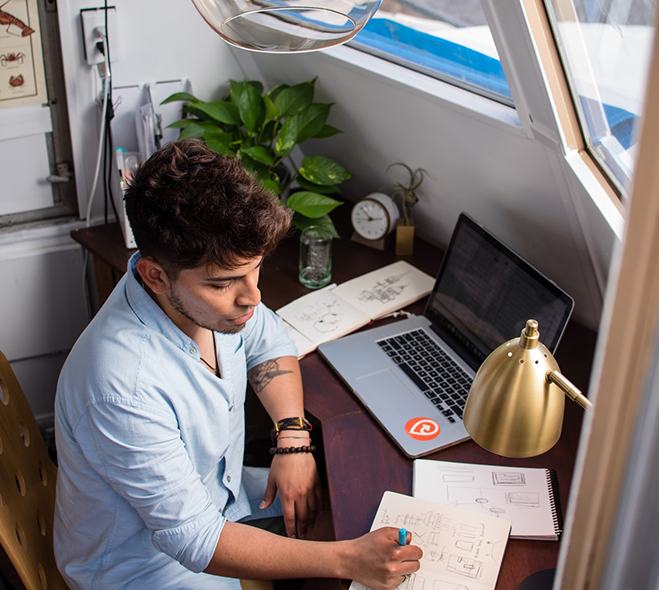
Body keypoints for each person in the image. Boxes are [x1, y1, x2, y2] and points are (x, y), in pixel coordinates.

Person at [53, 139, 422, 590]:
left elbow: (269, 338)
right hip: (144, 567)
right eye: (225, 283)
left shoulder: (208, 301)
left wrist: (293, 438)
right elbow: (196, 541)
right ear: (154, 275)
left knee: (337, 508)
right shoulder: (121, 388)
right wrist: (348, 560)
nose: (253, 296)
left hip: (219, 495)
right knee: (345, 552)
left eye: (256, 269)